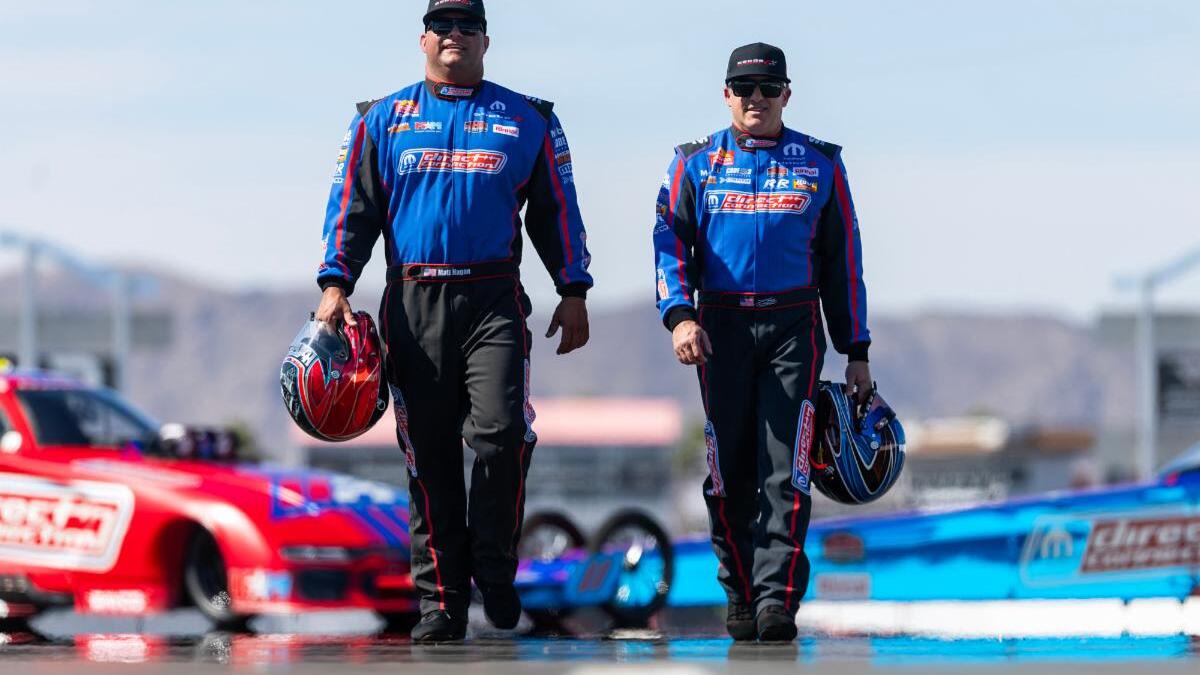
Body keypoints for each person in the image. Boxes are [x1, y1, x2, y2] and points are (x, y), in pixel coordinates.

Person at [314, 0, 592, 642]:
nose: (454, 36)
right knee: (428, 456)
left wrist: (572, 288)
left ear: (486, 41)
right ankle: (440, 600)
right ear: (423, 40)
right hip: (411, 304)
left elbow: (558, 209)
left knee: (500, 436)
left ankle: (494, 570)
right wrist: (335, 282)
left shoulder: (529, 119)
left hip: (493, 301)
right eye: (442, 26)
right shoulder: (380, 119)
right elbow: (350, 209)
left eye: (467, 27)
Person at [652, 43, 873, 642]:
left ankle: (777, 598)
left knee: (787, 467)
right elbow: (669, 244)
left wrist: (857, 351)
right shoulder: (693, 164)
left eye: (767, 89)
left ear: (786, 94)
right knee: (730, 471)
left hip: (793, 327)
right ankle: (742, 593)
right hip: (718, 327)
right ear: (726, 94)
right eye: (743, 88)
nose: (755, 99)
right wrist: (679, 317)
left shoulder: (822, 164)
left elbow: (843, 261)